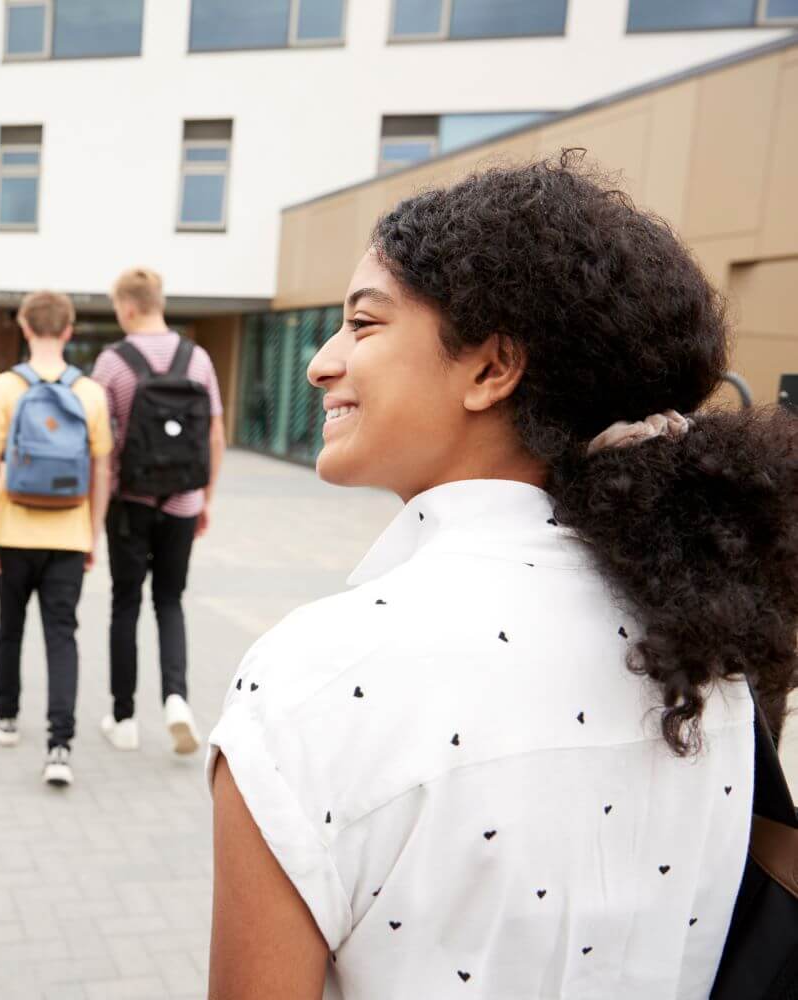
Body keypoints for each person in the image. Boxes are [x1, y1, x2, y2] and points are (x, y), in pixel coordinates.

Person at [206, 155, 798, 999]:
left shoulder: (311, 679)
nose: (320, 363)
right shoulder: (708, 659)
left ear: (491, 367)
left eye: (365, 325)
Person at [0, 291, 113, 787]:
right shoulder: (90, 392)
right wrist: (93, 534)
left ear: (25, 328)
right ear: (68, 330)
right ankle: (59, 746)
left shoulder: (3, 388)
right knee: (61, 636)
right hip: (70, 534)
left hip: (13, 529)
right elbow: (102, 469)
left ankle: (6, 718)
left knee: (10, 628)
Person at [90, 267, 225, 756]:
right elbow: (214, 435)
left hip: (129, 504)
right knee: (170, 601)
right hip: (183, 502)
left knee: (125, 603)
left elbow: (101, 448)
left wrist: (96, 510)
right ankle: (176, 700)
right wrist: (204, 498)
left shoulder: (111, 363)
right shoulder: (199, 359)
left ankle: (123, 718)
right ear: (158, 301)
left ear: (127, 306)